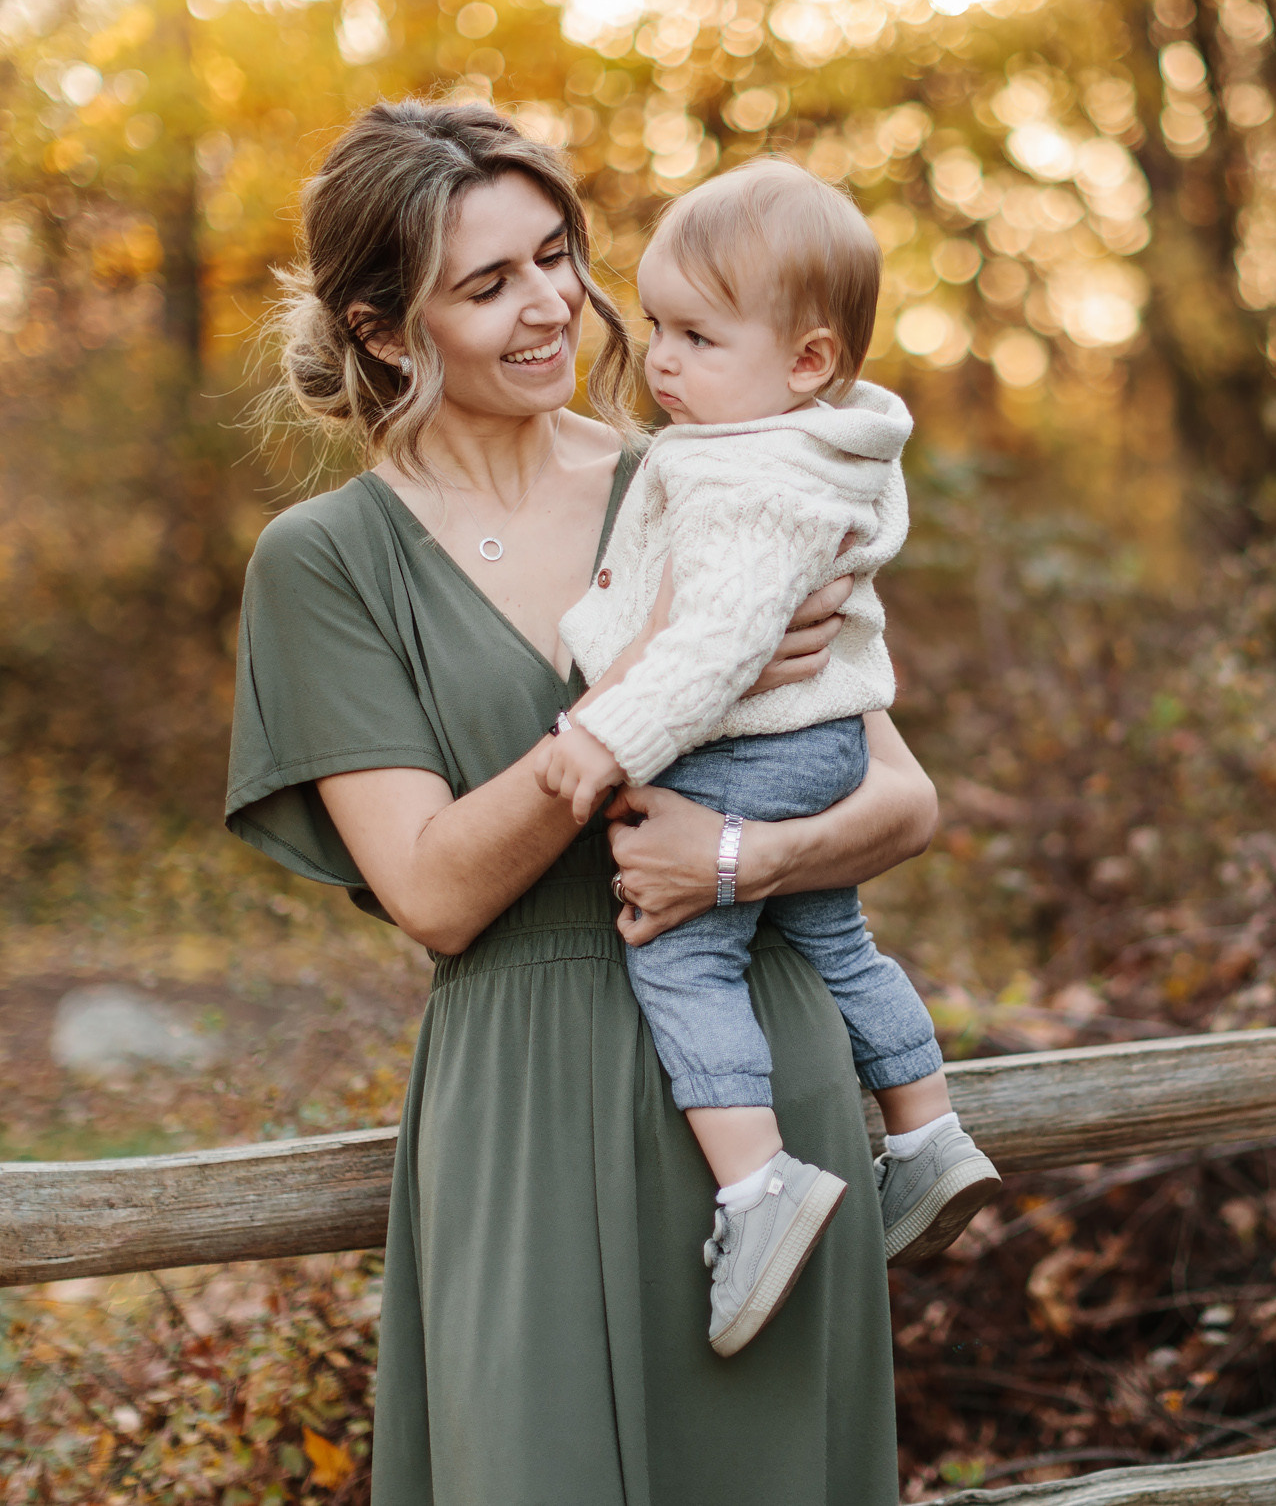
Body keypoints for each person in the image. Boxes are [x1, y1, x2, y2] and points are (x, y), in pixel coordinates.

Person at [224, 99, 927, 1504]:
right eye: (490, 284)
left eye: (558, 255)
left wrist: (731, 857)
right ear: (381, 328)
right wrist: (623, 718)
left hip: (766, 1110)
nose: (553, 306)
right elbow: (430, 887)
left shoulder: (708, 470)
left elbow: (902, 797)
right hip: (527, 1111)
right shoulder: (325, 566)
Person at [532, 160, 999, 1359]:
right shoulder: (822, 447)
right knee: (838, 941)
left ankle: (756, 1190)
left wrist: (603, 736)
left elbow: (715, 644)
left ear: (805, 361)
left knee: (684, 962)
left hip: (740, 757)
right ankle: (928, 1133)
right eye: (654, 327)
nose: (664, 360)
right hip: (825, 751)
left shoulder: (743, 478)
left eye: (696, 335)